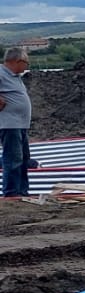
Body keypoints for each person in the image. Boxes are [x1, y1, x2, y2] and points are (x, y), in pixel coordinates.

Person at [0, 44, 30, 198]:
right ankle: (12, 194)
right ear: (18, 61)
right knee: (13, 159)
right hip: (9, 124)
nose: (27, 66)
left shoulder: (15, 76)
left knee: (23, 159)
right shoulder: (1, 72)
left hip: (20, 125)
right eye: (26, 62)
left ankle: (22, 191)